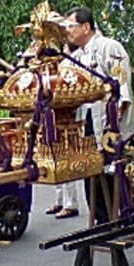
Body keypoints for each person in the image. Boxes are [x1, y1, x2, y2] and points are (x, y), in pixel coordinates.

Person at [59, 7, 134, 224]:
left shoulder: (110, 47)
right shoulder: (74, 58)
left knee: (115, 177)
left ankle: (127, 222)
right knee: (92, 175)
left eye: (70, 26)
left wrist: (115, 127)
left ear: (86, 26)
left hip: (111, 126)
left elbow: (122, 90)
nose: (67, 31)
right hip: (88, 125)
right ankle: (102, 223)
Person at [45, 42, 80, 220]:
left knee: (66, 160)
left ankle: (71, 204)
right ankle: (59, 200)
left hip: (67, 119)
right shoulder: (47, 71)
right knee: (54, 159)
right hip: (52, 119)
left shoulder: (68, 66)